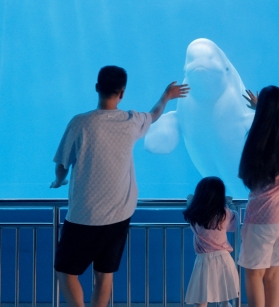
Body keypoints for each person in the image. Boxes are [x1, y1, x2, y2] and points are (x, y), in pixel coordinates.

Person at [50, 65, 189, 307]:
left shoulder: (80, 123)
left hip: (84, 215)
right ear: (122, 93)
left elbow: (62, 163)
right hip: (118, 214)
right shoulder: (131, 120)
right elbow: (155, 114)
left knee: (66, 271)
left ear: (96, 88)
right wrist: (166, 96)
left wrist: (60, 180)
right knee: (104, 274)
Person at [237, 86, 279, 307]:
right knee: (273, 275)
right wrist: (263, 108)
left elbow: (249, 175)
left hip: (264, 216)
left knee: (254, 274)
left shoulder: (257, 140)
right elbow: (275, 126)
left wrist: (260, 110)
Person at [183, 177, 240, 307]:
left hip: (204, 260)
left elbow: (189, 207)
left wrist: (190, 199)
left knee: (201, 298)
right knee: (225, 296)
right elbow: (234, 224)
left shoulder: (195, 214)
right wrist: (229, 203)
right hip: (224, 258)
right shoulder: (224, 213)